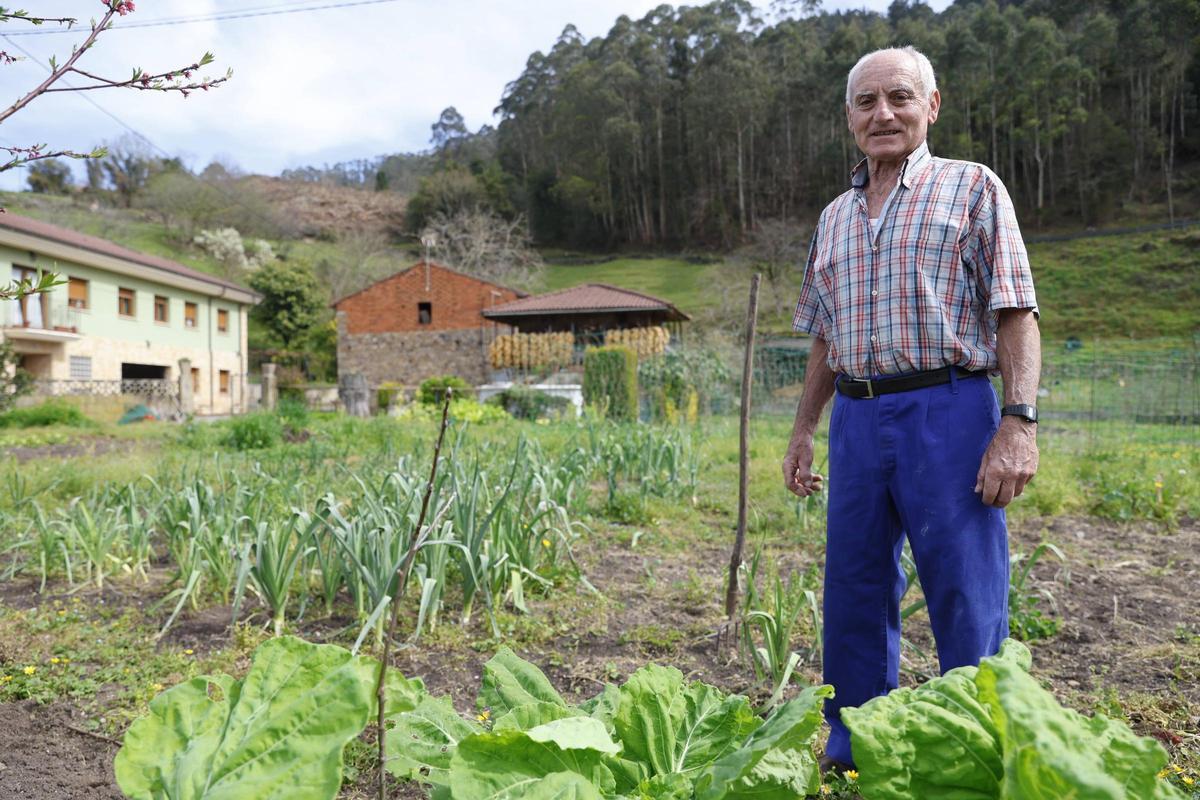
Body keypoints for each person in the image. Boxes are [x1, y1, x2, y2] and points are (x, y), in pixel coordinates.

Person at [782, 45, 1041, 770]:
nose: (882, 113)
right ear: (849, 119)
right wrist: (804, 430)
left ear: (931, 106)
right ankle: (856, 739)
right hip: (859, 419)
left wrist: (1017, 424)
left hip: (950, 409)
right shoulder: (833, 218)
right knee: (854, 586)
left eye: (899, 97)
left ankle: (978, 740)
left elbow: (1016, 312)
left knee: (964, 583)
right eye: (866, 102)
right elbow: (826, 337)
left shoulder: (973, 189)